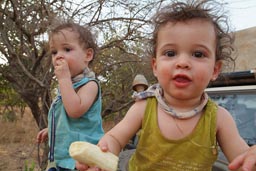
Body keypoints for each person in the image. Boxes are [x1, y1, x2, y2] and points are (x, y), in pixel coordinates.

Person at [76, 0, 256, 171]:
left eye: (198, 54)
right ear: (155, 66)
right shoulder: (144, 107)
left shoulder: (219, 118)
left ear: (215, 69)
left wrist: (251, 158)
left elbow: (242, 160)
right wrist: (103, 151)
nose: (183, 62)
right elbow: (115, 138)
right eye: (170, 53)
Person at [36, 20, 104, 171]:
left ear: (88, 55)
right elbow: (67, 117)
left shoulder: (90, 85)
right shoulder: (68, 86)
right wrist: (53, 128)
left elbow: (74, 111)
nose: (59, 56)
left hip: (82, 161)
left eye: (67, 49)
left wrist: (64, 79)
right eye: (54, 52)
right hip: (62, 160)